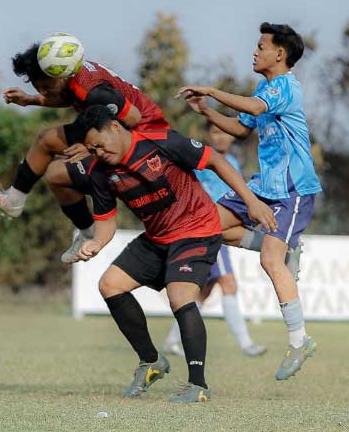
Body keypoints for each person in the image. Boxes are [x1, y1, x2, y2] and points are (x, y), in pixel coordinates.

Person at [72, 105, 277, 402]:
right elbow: (105, 222)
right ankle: (151, 360)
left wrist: (252, 202)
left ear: (116, 128)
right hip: (158, 237)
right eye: (91, 149)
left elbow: (217, 162)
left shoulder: (160, 141)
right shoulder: (100, 173)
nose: (98, 152)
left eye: (100, 144)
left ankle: (198, 385)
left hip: (197, 227)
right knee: (110, 285)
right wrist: (95, 244)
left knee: (180, 295)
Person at [177, 22, 322, 380]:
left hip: (293, 190)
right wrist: (206, 112)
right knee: (207, 224)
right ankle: (285, 249)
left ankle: (299, 340)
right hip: (261, 186)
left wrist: (211, 90)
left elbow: (255, 110)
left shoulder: (286, 88)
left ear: (280, 54)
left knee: (271, 263)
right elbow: (243, 129)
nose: (255, 51)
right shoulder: (264, 86)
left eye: (261, 46)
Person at [0, 40, 169, 258]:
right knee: (55, 175)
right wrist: (30, 100)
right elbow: (66, 96)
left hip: (146, 137)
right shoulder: (70, 73)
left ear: (61, 76)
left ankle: (14, 200)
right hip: (109, 131)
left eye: (46, 87)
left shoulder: (95, 91)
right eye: (38, 88)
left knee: (46, 140)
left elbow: (134, 118)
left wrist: (92, 147)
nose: (44, 92)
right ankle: (86, 232)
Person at [163, 123, 266, 358]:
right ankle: (246, 343)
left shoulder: (234, 164)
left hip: (218, 231)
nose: (221, 137)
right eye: (216, 132)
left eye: (225, 133)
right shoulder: (200, 161)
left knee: (204, 292)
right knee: (228, 283)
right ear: (208, 134)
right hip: (205, 229)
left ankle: (171, 340)